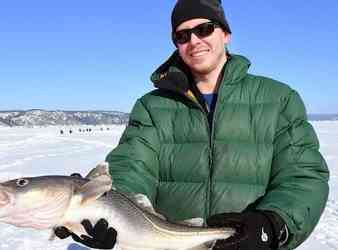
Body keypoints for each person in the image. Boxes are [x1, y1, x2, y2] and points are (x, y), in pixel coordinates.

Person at [55, 0, 330, 249]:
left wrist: (272, 224)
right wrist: (110, 209)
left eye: (205, 29)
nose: (194, 41)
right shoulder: (152, 106)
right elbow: (132, 166)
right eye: (182, 35)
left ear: (226, 33)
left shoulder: (278, 99)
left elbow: (302, 176)